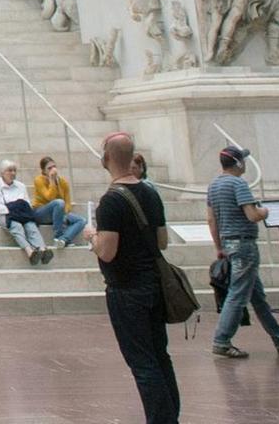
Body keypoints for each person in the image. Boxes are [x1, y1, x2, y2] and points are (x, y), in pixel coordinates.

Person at [92, 132, 176, 424]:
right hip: (153, 284)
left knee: (142, 363)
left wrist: (92, 237)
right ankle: (170, 418)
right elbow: (162, 240)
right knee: (160, 356)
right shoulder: (151, 193)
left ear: (106, 159)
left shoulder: (110, 201)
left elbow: (107, 251)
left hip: (126, 290)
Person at [205, 144, 279, 360]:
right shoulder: (238, 184)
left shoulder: (214, 186)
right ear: (238, 163)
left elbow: (211, 218)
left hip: (228, 244)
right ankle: (221, 340)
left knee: (258, 297)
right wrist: (264, 211)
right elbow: (252, 215)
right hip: (244, 245)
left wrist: (219, 247)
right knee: (237, 295)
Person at [0, 160, 54, 266]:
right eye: (9, 170)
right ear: (2, 173)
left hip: (20, 214)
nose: (13, 173)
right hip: (2, 215)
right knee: (16, 225)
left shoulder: (21, 186)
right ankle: (30, 252)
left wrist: (16, 209)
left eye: (14, 170)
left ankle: (42, 249)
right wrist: (15, 210)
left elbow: (27, 204)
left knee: (30, 225)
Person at [32, 156, 89, 249]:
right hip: (40, 212)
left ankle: (63, 239)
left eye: (54, 166)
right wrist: (51, 180)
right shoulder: (38, 180)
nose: (53, 170)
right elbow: (49, 197)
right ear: (43, 170)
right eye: (49, 168)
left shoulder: (63, 182)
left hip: (58, 212)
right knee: (59, 202)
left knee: (81, 220)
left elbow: (67, 203)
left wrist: (64, 214)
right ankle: (57, 236)